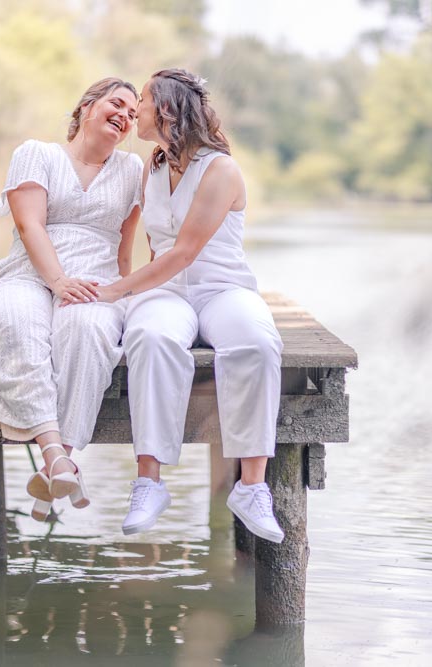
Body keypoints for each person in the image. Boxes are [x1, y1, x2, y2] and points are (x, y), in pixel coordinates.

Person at [80, 68, 284, 543]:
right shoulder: (151, 167)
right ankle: (149, 481)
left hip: (222, 288)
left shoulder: (221, 169)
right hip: (168, 292)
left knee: (257, 343)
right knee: (150, 336)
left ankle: (251, 488)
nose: (135, 111)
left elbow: (184, 252)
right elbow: (153, 247)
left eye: (143, 101)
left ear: (167, 109)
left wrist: (116, 290)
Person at [0, 77, 143, 520]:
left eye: (132, 113)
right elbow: (29, 225)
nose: (125, 116)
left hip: (95, 282)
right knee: (16, 321)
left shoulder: (132, 170)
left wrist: (123, 296)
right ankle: (57, 456)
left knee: (86, 329)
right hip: (28, 275)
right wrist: (57, 281)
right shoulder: (37, 154)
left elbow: (125, 248)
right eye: (116, 104)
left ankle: (57, 462)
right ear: (87, 107)